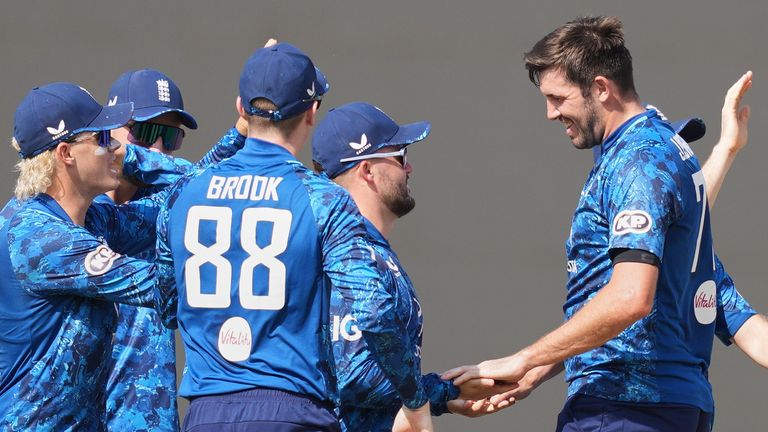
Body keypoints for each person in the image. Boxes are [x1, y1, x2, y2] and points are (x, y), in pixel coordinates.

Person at [444, 16, 732, 431]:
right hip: (657, 404)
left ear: (600, 88)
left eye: (558, 98)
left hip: (625, 408)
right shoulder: (650, 146)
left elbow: (630, 298)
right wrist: (537, 371)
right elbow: (615, 300)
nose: (550, 113)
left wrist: (523, 359)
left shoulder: (638, 161)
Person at [154, 43, 434, 431]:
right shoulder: (322, 198)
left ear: (240, 108)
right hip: (293, 411)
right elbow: (372, 311)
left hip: (206, 413)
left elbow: (168, 304)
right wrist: (416, 400)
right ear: (311, 112)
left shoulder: (183, 192)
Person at [311, 102, 514, 431]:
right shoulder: (349, 256)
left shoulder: (369, 250)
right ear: (367, 170)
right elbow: (354, 376)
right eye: (400, 156)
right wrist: (442, 391)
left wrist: (442, 398)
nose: (409, 168)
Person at [0, 82, 175, 430]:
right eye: (103, 138)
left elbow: (179, 204)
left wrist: (240, 148)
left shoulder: (93, 218)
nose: (117, 148)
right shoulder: (38, 237)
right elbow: (159, 287)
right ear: (65, 153)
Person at [103, 68, 248, 432]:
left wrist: (245, 129)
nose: (157, 148)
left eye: (170, 137)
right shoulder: (74, 211)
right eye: (145, 131)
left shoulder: (167, 203)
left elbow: (205, 179)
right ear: (109, 129)